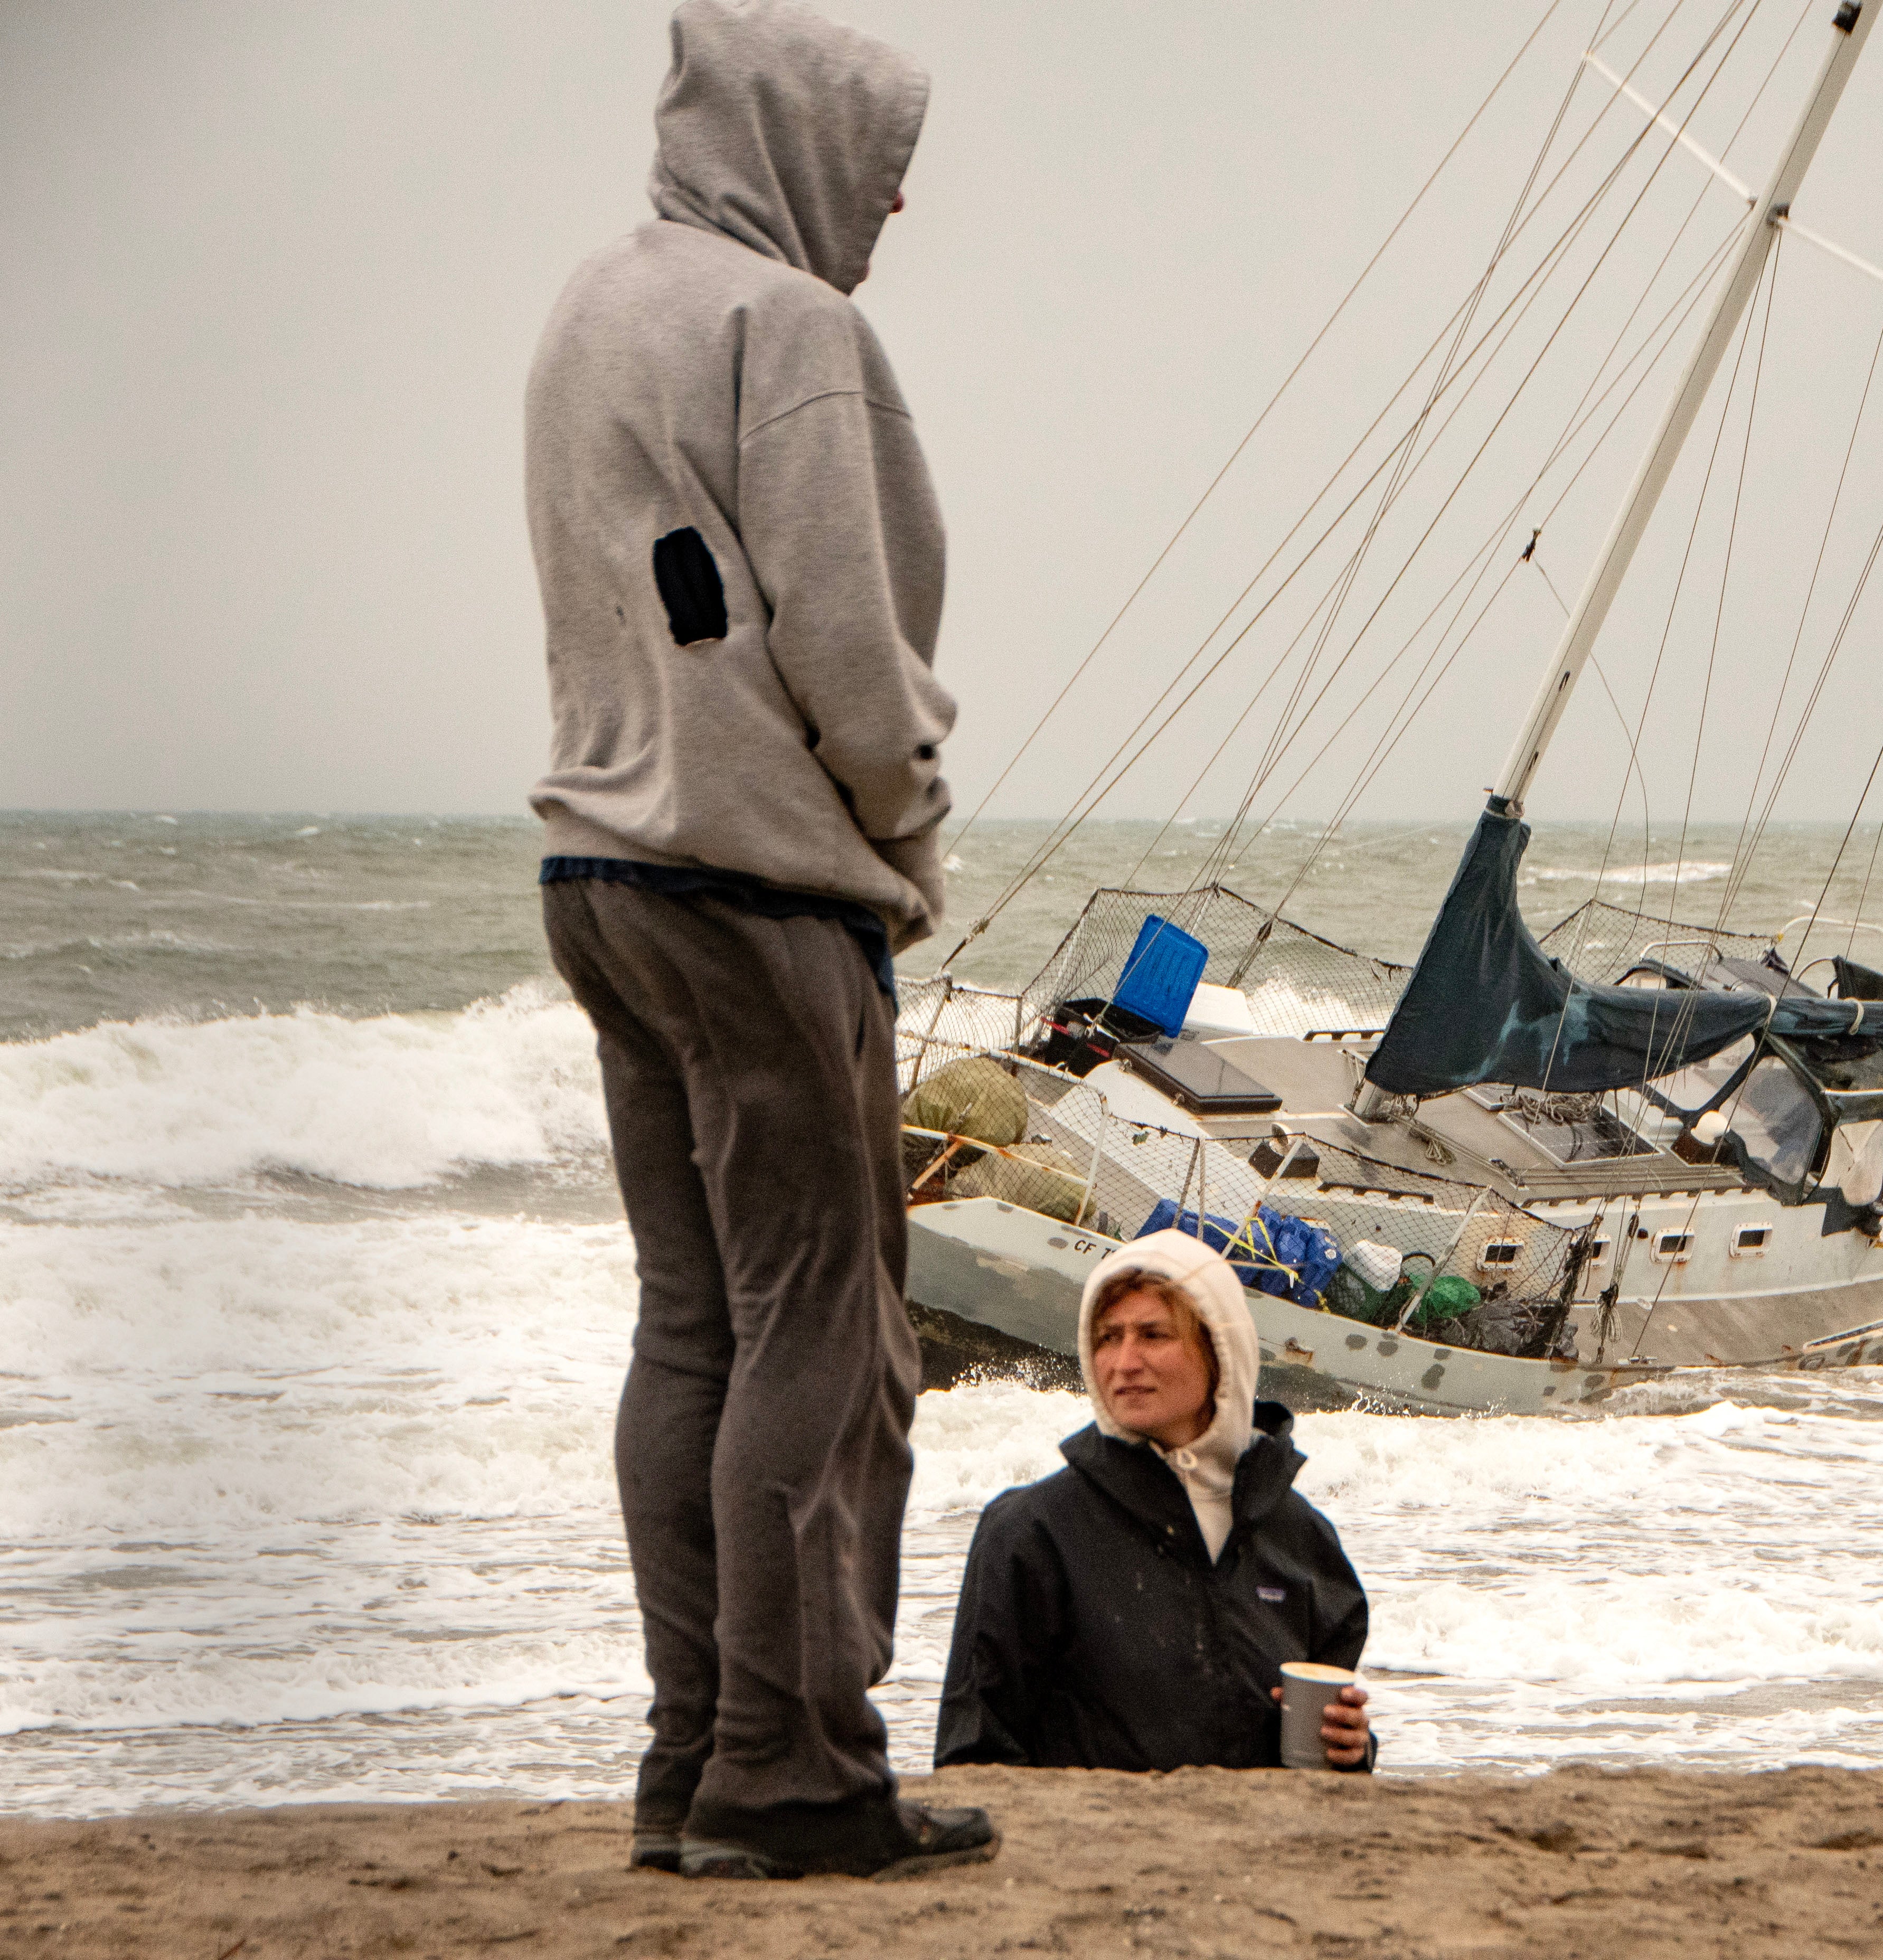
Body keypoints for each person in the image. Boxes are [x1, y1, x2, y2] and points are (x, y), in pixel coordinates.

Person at [524, 0, 987, 1881]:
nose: (894, 192)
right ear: (796, 135)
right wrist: (906, 823)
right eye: (882, 150)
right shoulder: (790, 328)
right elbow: (845, 648)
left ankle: (689, 1767)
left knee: (693, 1326)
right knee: (830, 1322)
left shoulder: (589, 307)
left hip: (596, 870)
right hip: (757, 879)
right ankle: (792, 1767)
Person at [934, 1230, 1377, 1772]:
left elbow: (1324, 1755)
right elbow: (972, 1753)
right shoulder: (1032, 1531)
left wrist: (1351, 1747)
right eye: (1106, 1337)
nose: (1124, 1361)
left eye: (1153, 1334)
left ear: (1221, 1348)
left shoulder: (1299, 1534)